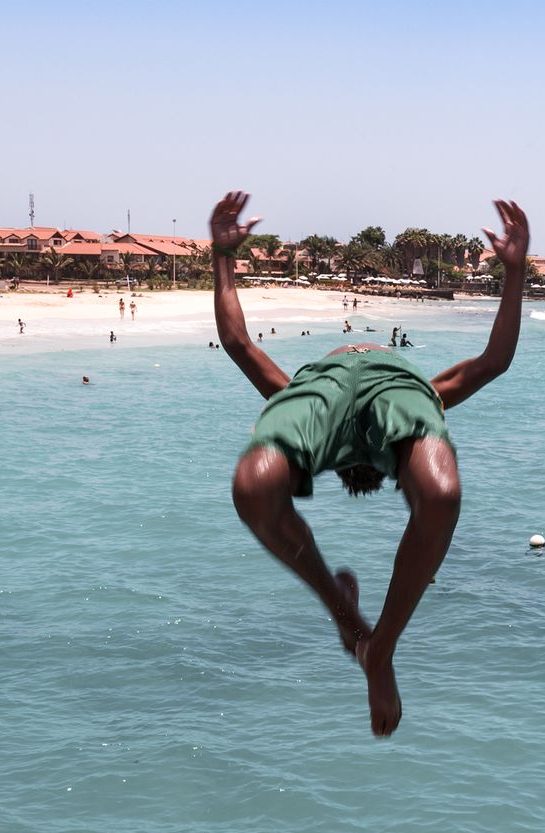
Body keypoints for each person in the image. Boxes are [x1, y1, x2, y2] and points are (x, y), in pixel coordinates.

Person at [211, 189, 529, 737]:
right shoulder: (423, 389)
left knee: (254, 484)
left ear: (338, 456)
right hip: (392, 391)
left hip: (326, 388)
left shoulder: (300, 389)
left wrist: (222, 258)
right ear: (385, 459)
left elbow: (240, 343)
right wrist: (515, 273)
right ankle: (356, 625)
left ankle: (366, 638)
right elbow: (494, 362)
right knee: (442, 493)